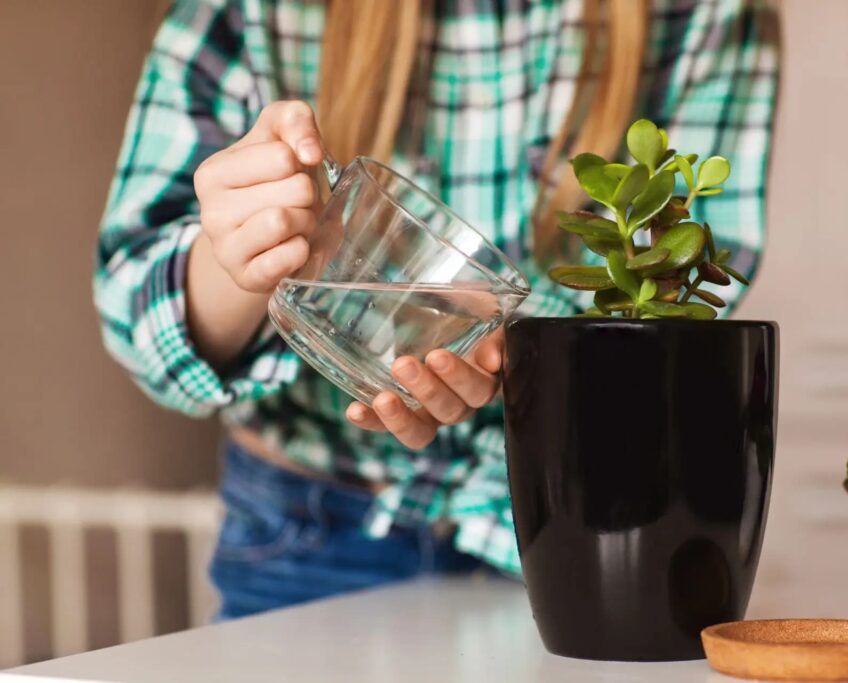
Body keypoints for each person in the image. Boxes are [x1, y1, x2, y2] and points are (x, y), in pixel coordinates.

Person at [95, 0, 779, 619]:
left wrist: (516, 354)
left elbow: (691, 288)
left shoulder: (703, 14)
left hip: (576, 526)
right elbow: (139, 323)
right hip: (306, 539)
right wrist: (242, 253)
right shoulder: (246, 11)